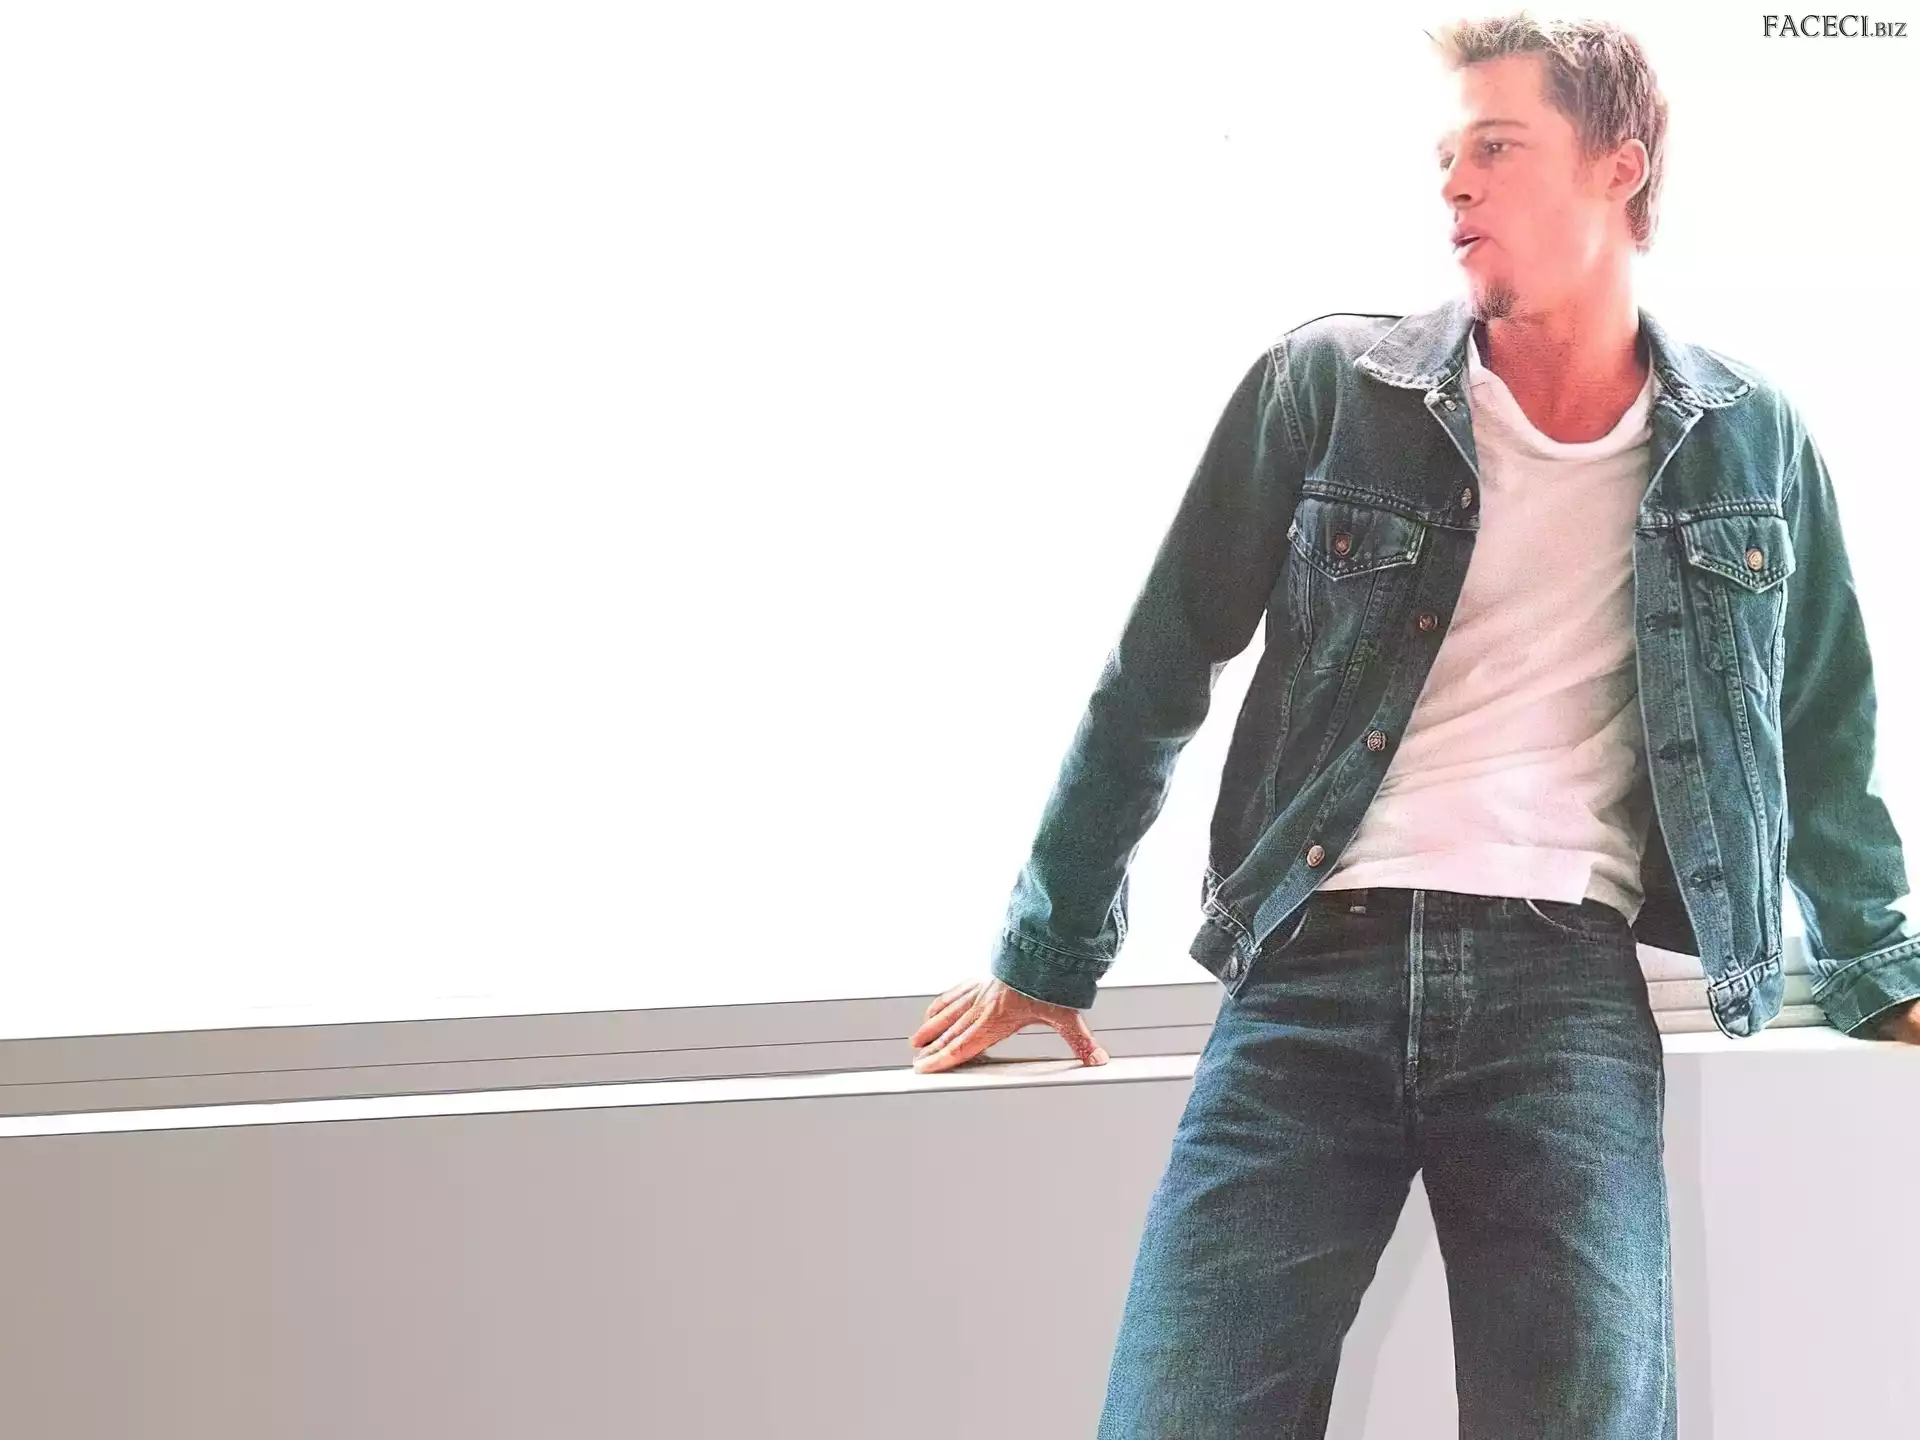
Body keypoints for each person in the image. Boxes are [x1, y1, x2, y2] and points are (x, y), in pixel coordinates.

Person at [909, 12, 1920, 1437]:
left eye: (1496, 148)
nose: (1454, 184)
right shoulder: (1331, 388)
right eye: (1447, 155)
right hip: (1310, 972)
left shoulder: (1751, 440)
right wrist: (1049, 949)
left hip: (1563, 993)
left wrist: (1878, 964)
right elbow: (1157, 670)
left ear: (1619, 165)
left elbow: (1821, 724)